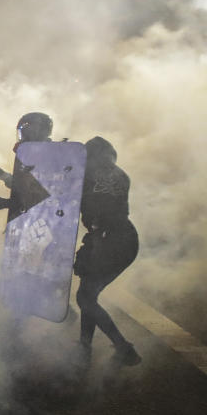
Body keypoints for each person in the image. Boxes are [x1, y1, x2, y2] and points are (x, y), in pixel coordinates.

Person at [73, 136, 141, 366]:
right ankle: (84, 347)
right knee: (88, 295)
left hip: (108, 240)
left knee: (85, 297)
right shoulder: (120, 175)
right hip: (124, 239)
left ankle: (123, 348)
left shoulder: (89, 175)